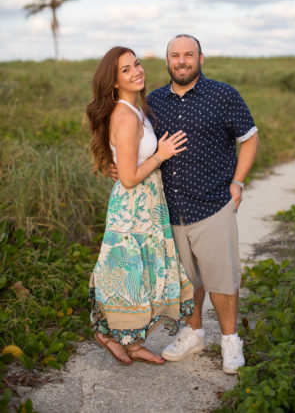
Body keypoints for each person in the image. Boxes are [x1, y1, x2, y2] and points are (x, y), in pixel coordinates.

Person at [111, 35, 258, 373]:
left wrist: (238, 181)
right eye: (174, 55)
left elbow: (249, 138)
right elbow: (132, 139)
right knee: (185, 280)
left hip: (213, 204)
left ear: (200, 59)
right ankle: (192, 332)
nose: (181, 61)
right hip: (168, 209)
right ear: (166, 61)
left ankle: (230, 339)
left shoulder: (223, 95)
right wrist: (115, 163)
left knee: (221, 278)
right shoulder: (154, 101)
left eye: (188, 55)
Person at [86, 46, 194, 366]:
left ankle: (131, 343)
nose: (137, 72)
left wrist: (116, 162)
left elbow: (123, 161)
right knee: (130, 276)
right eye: (126, 70)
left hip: (148, 204)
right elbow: (130, 178)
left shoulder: (135, 109)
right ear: (114, 81)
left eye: (137, 64)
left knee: (142, 275)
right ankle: (109, 335)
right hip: (133, 206)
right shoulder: (124, 114)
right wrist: (161, 154)